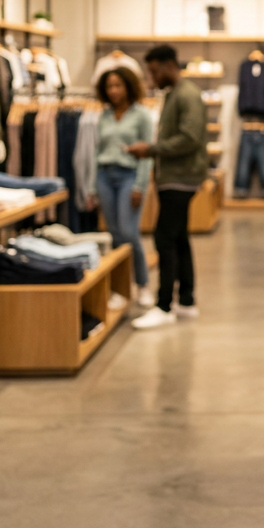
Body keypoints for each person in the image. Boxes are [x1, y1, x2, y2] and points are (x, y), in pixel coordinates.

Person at [126, 44, 208, 330]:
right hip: (175, 176)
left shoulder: (187, 95)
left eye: (154, 70)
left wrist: (151, 149)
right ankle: (185, 300)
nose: (152, 77)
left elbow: (190, 137)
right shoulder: (175, 95)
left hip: (181, 178)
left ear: (169, 65)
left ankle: (164, 305)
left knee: (164, 238)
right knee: (178, 237)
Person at [91, 66, 155, 309]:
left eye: (118, 85)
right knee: (115, 235)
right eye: (109, 86)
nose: (114, 91)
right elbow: (97, 153)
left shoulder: (141, 115)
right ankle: (120, 289)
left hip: (129, 175)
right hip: (105, 176)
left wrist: (140, 184)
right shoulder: (104, 116)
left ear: (128, 86)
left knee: (129, 233)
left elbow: (147, 154)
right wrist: (92, 187)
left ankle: (143, 284)